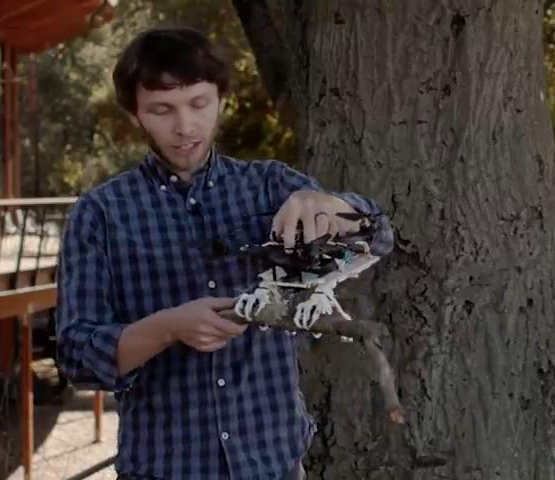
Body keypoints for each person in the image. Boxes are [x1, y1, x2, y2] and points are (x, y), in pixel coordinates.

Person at [55, 26, 394, 480]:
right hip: (165, 468)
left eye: (199, 104)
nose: (185, 126)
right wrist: (168, 327)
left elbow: (380, 236)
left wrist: (334, 205)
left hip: (274, 465)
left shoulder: (271, 185)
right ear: (135, 114)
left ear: (221, 98)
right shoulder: (100, 213)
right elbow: (77, 355)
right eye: (161, 110)